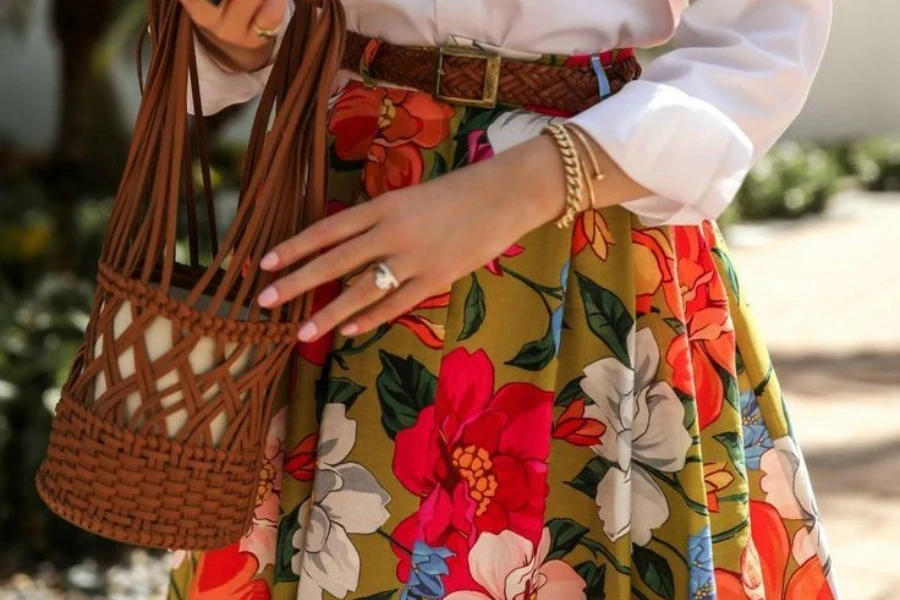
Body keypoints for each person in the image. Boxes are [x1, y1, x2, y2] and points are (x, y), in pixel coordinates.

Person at [167, 0, 838, 598]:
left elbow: (763, 35)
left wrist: (530, 183)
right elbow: (248, 36)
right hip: (348, 193)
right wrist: (236, 32)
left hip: (596, 208)